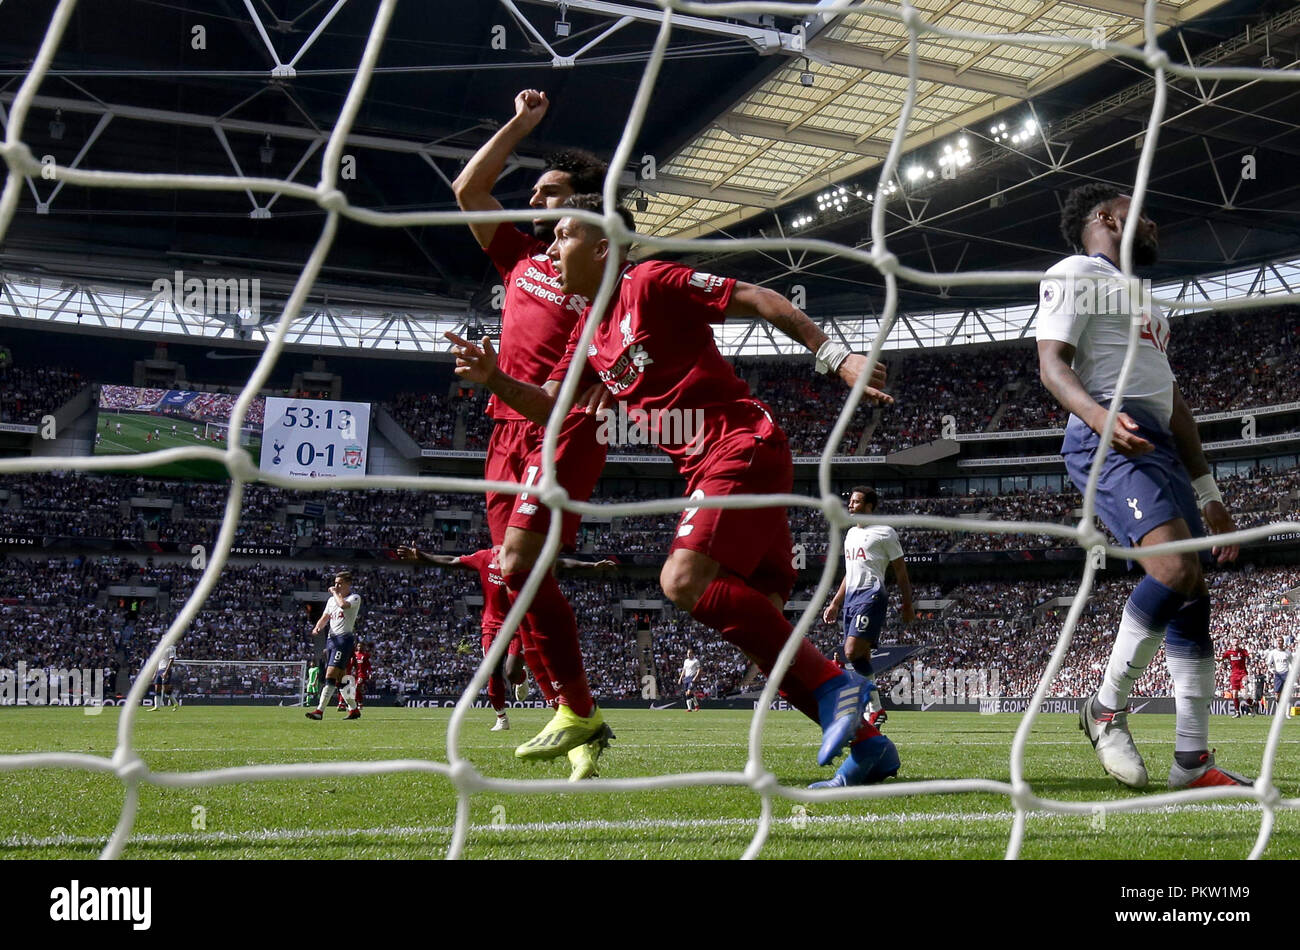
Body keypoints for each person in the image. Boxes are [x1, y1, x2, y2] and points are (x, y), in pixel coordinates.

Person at [447, 194, 899, 787]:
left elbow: (759, 298)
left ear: (605, 246)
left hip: (742, 445)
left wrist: (837, 358)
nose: (550, 250)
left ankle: (840, 686)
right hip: (710, 470)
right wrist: (496, 378)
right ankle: (870, 752)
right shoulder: (588, 330)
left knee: (681, 580)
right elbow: (552, 407)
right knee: (761, 634)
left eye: (563, 235)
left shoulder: (651, 281)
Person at [1036, 182, 1249, 789]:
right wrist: (1098, 418)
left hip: (1158, 442)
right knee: (1175, 571)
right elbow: (1052, 364)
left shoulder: (1148, 304)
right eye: (1140, 215)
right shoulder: (1075, 270)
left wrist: (1209, 490)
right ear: (1106, 218)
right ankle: (1104, 709)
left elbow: (1174, 402)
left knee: (1193, 596)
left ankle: (1192, 761)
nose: (1153, 224)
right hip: (1107, 432)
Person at [451, 88, 611, 763]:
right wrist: (519, 124)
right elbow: (467, 190)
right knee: (518, 578)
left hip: (564, 425)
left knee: (516, 563)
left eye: (549, 192)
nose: (535, 201)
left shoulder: (602, 283)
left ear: (583, 203)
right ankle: (577, 714)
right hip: (504, 428)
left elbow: (553, 402)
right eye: (534, 192)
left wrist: (492, 377)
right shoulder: (519, 256)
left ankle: (576, 710)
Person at [397, 542, 617, 779]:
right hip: (491, 626)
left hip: (516, 625)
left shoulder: (523, 554)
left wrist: (591, 565)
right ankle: (502, 718)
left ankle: (522, 678)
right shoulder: (484, 557)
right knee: (492, 670)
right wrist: (421, 555)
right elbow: (451, 561)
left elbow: (560, 563)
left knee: (511, 672)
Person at [822, 486, 915, 726]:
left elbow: (901, 571)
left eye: (856, 502)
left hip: (872, 595)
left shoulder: (885, 533)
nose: (851, 505)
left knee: (851, 651)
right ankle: (874, 710)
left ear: (869, 506)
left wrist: (907, 603)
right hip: (851, 599)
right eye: (850, 501)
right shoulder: (851, 534)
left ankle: (856, 696)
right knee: (860, 658)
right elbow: (850, 572)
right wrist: (835, 602)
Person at [305, 571, 362, 721]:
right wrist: (318, 627)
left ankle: (319, 711)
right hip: (331, 640)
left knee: (329, 675)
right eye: (335, 582)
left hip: (344, 640)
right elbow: (325, 617)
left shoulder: (354, 598)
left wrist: (336, 593)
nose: (336, 585)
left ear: (348, 584)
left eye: (339, 583)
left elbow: (343, 605)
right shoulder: (331, 601)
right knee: (341, 679)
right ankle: (354, 710)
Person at [1219, 638, 1250, 717]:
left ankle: (1252, 704)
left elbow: (1249, 655)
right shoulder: (1229, 652)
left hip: (1243, 674)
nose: (1235, 643)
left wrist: (1251, 655)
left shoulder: (1243, 651)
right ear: (1232, 643)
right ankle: (1237, 712)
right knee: (1234, 693)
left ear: (1239, 643)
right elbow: (1221, 659)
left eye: (1237, 641)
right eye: (1234, 641)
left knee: (1244, 694)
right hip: (1234, 675)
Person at [1265, 636, 1290, 714]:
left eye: (1280, 641)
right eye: (1278, 641)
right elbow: (1268, 663)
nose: (1279, 642)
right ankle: (1279, 709)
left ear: (1283, 642)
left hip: (1286, 673)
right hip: (1278, 674)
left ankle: (1287, 712)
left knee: (1286, 693)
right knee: (1277, 694)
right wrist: (1270, 669)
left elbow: (1292, 663)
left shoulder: (1287, 652)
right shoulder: (1273, 652)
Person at [150, 642, 177, 710]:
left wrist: (166, 672)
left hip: (165, 669)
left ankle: (175, 703)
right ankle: (156, 706)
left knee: (165, 689)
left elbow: (171, 660)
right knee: (157, 688)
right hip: (159, 670)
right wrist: (155, 673)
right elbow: (158, 662)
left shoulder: (171, 648)